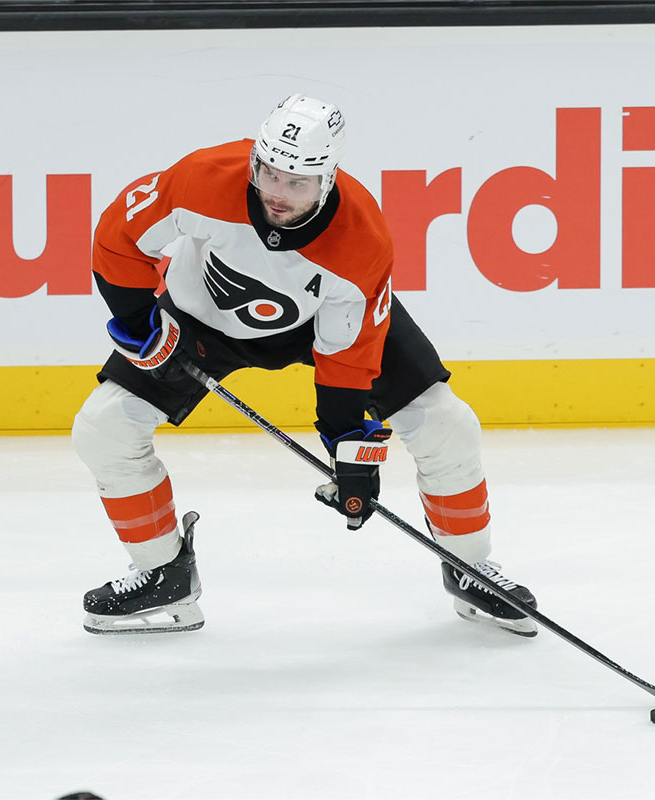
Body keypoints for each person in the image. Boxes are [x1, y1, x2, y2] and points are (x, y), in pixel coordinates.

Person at [73, 94, 537, 637]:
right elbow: (117, 238)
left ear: (328, 177)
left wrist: (348, 446)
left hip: (322, 324)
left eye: (297, 182)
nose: (277, 193)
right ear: (255, 161)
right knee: (103, 428)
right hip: (201, 319)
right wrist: (141, 325)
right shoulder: (202, 177)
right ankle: (163, 576)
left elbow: (346, 353)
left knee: (446, 422)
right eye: (269, 173)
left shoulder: (362, 239)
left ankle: (470, 567)